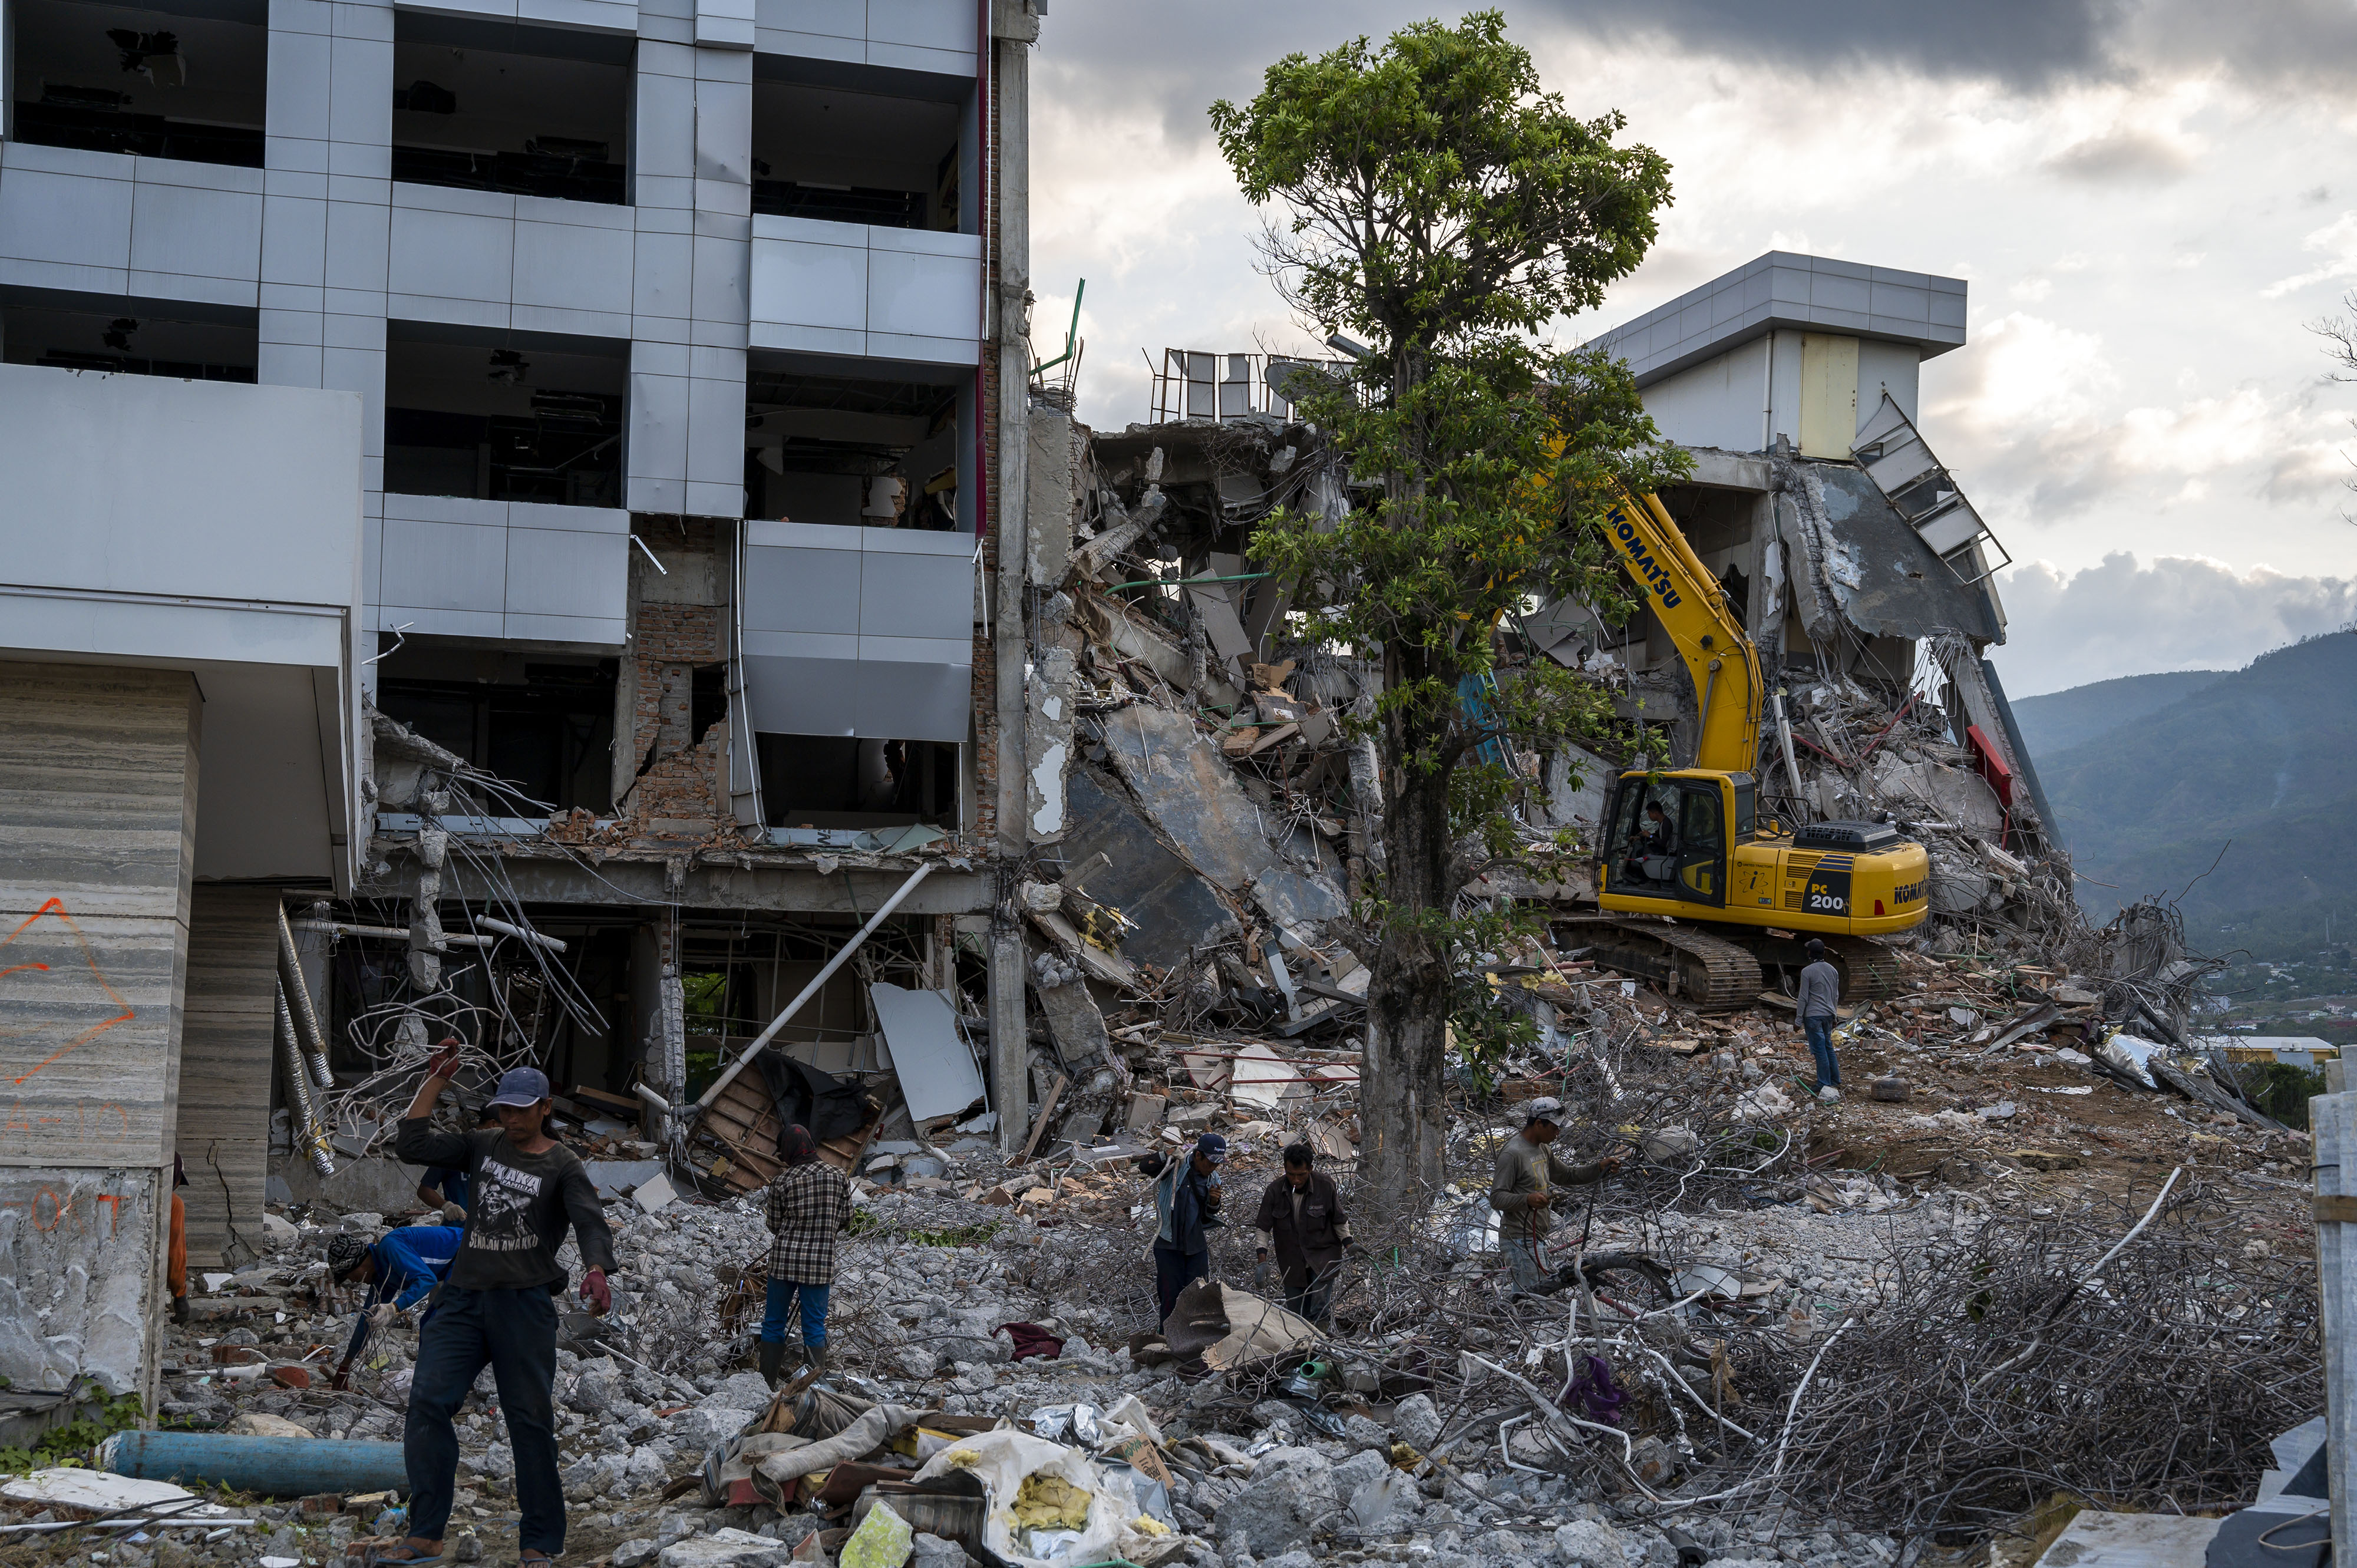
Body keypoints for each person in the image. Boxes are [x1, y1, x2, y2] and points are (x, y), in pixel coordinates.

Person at [390, 1044, 615, 1568]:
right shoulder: (482, 1144)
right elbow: (412, 1142)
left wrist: (597, 1269)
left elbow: (589, 1220)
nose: (511, 1118)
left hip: (524, 1304)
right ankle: (425, 1531)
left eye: (521, 1109)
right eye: (505, 1109)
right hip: (463, 1298)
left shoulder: (564, 1164)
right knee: (427, 1400)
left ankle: (539, 1541)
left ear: (545, 1108)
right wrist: (435, 1082)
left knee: (529, 1420)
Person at [1488, 1097, 1622, 1298]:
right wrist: (1527, 1199)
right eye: (1554, 1128)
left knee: (1538, 1297)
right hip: (1518, 1239)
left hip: (1535, 1238)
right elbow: (1496, 1198)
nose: (1558, 1134)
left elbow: (1567, 1175)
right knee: (1530, 1301)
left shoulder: (1543, 1149)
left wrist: (1599, 1168)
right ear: (1539, 1124)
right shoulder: (1513, 1154)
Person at [758, 1124, 853, 1387]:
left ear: (788, 1151)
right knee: (814, 1326)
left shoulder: (782, 1181)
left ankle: (766, 1384)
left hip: (784, 1263)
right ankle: (814, 1388)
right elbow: (846, 1218)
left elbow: (774, 1225)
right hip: (819, 1264)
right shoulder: (838, 1176)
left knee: (774, 1322)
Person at [326, 1224, 463, 1389]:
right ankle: (430, 1385)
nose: (353, 1281)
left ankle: (440, 1387)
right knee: (430, 1325)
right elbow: (366, 1321)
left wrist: (394, 1308)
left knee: (438, 1324)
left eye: (349, 1275)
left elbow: (427, 1280)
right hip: (455, 1263)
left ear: (358, 1264)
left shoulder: (390, 1247)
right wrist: (345, 1366)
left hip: (468, 1251)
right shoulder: (381, 1275)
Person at [1254, 1143, 1350, 1328]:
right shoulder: (1275, 1191)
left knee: (1319, 1307)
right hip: (1292, 1260)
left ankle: (1321, 1341)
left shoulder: (1325, 1186)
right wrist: (1262, 1261)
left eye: (1301, 1175)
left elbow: (1339, 1220)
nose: (1296, 1180)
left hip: (1323, 1256)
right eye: (1291, 1175)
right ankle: (1302, 1348)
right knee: (1297, 1315)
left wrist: (1349, 1244)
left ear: (1310, 1170)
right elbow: (1263, 1228)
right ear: (1285, 1169)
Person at [1137, 1133, 1227, 1325]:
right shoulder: (1175, 1166)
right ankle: (1168, 1341)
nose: (1212, 1168)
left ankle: (1194, 1343)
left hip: (1196, 1247)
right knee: (1170, 1299)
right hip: (1168, 1245)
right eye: (1209, 1163)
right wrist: (1166, 1153)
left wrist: (1214, 1201)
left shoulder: (1214, 1179)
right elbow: (1144, 1167)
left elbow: (1207, 1215)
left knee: (1199, 1297)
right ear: (1198, 1156)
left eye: (1216, 1165)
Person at [415, 1104, 499, 1222]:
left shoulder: (502, 1156)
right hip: (458, 1232)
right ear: (493, 1125)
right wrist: (447, 1206)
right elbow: (424, 1190)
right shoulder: (456, 1150)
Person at [1798, 939, 1843, 1101]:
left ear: (1810, 953)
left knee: (1819, 1050)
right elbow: (1835, 995)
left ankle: (1823, 1082)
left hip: (1813, 1016)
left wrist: (1798, 1020)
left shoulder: (1807, 972)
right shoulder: (1833, 970)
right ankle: (1835, 1080)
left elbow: (1803, 997)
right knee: (1828, 1046)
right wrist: (1835, 1015)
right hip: (1828, 1015)